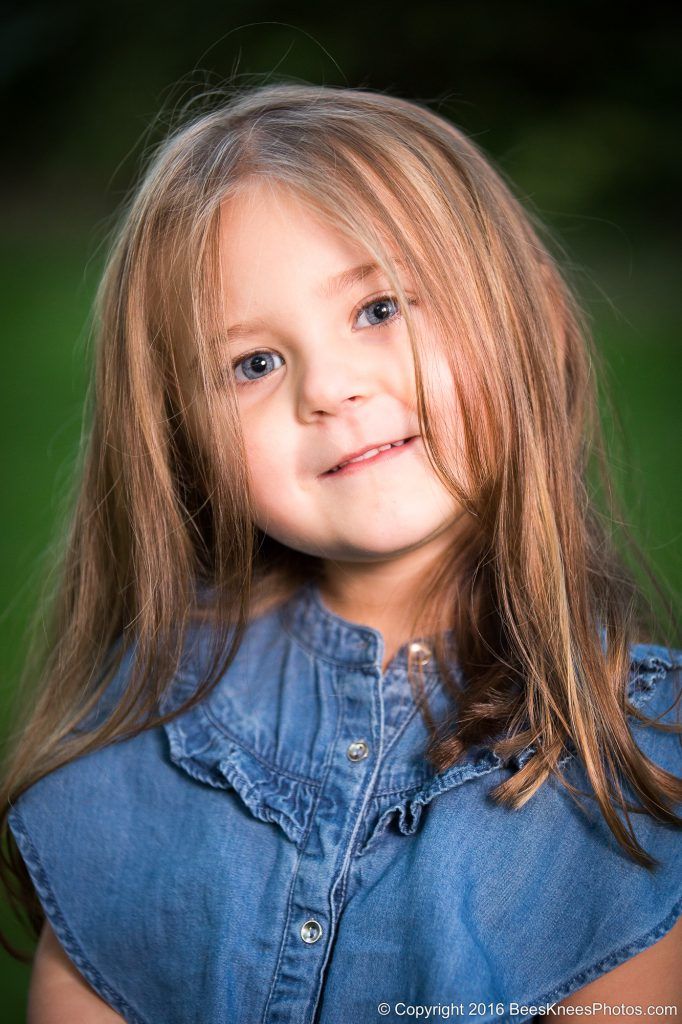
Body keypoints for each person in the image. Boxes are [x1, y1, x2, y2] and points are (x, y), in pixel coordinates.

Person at [1, 82, 680, 1024]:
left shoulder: (641, 767)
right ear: (181, 444)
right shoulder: (141, 732)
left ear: (529, 321)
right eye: (254, 364)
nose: (328, 389)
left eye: (377, 308)